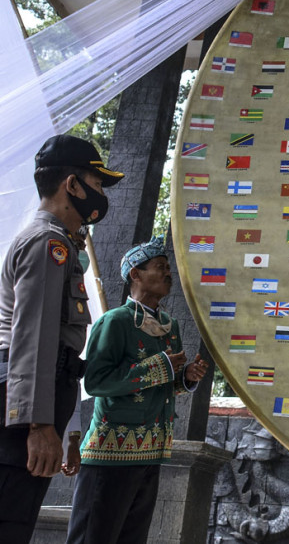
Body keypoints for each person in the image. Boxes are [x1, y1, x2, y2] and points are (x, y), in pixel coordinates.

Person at [0, 134, 123, 543]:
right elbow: (34, 342)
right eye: (97, 183)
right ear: (72, 185)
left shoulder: (60, 244)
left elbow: (59, 353)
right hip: (22, 412)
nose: (101, 194)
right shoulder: (48, 243)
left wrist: (66, 430)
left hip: (37, 400)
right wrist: (38, 425)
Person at [67, 238, 208, 543]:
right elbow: (96, 382)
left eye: (168, 268)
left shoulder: (170, 326)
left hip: (152, 451)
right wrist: (160, 366)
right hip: (110, 454)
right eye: (160, 267)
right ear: (136, 274)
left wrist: (185, 378)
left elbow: (161, 385)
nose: (168, 273)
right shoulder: (114, 322)